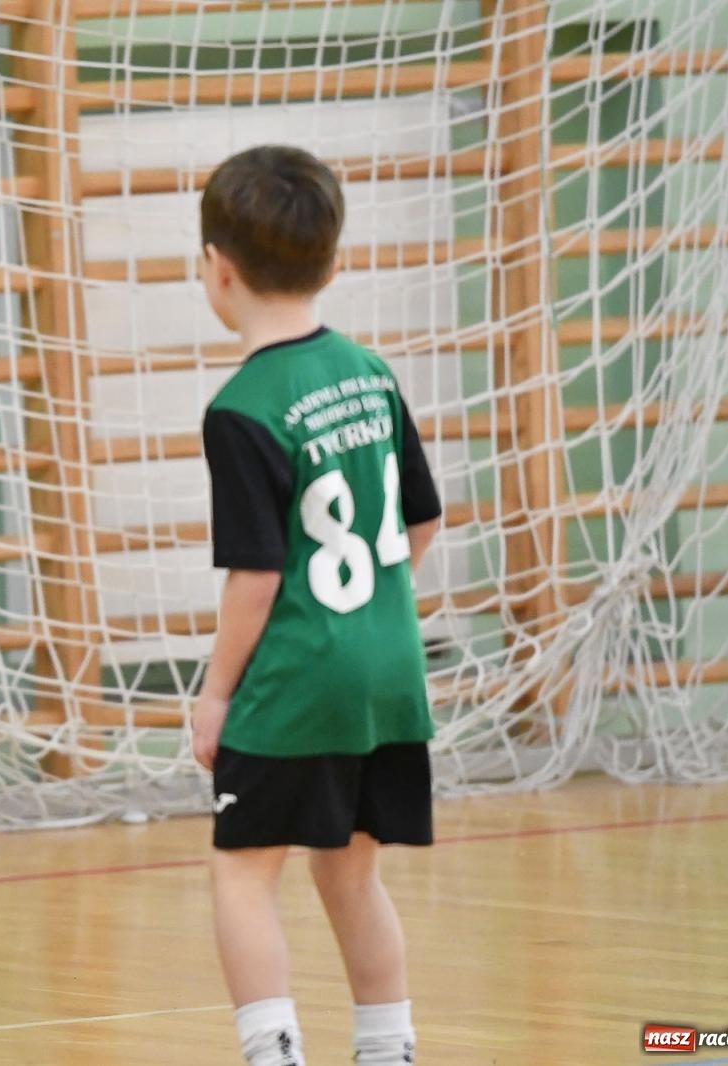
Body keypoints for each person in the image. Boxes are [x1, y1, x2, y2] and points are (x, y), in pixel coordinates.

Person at [192, 144, 443, 1066]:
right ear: (332, 260)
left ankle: (275, 1052)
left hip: (300, 679)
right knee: (351, 870)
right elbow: (421, 521)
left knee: (243, 872)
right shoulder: (369, 370)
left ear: (216, 269)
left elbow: (256, 579)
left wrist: (216, 693)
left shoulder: (243, 406)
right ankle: (390, 1048)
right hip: (389, 669)